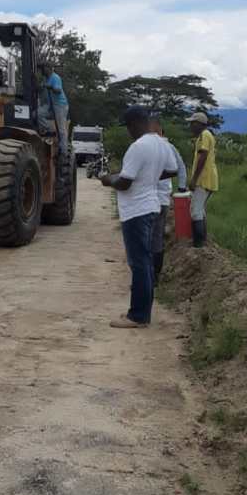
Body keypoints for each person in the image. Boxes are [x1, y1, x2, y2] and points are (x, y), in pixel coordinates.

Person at [101, 106, 177, 328]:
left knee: (139, 263)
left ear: (134, 124)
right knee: (146, 260)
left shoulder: (137, 147)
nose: (128, 131)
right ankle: (143, 311)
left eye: (127, 127)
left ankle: (138, 316)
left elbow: (124, 183)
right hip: (152, 207)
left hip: (136, 211)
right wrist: (149, 177)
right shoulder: (162, 144)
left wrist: (108, 179)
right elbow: (172, 170)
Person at [148, 118, 187, 284]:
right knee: (157, 238)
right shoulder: (170, 148)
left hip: (146, 201)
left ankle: (146, 276)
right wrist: (182, 188)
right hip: (162, 200)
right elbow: (181, 167)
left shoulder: (144, 147)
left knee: (145, 238)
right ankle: (155, 277)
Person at [188, 112, 218, 247]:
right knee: (201, 210)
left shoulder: (204, 135)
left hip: (203, 179)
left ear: (199, 124)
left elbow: (203, 156)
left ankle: (198, 243)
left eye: (192, 123)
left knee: (196, 211)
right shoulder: (207, 135)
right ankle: (203, 241)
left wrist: (194, 179)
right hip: (209, 178)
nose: (190, 126)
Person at [38, 61, 69, 154]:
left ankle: (64, 151)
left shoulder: (55, 77)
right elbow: (41, 89)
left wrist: (49, 86)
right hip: (50, 105)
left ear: (48, 68)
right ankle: (49, 130)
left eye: (43, 68)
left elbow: (58, 90)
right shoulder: (46, 78)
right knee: (38, 114)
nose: (42, 71)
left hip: (60, 105)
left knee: (61, 129)